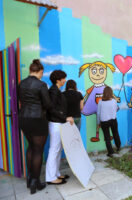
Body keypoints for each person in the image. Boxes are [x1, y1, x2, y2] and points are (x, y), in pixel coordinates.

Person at [18, 59, 54, 194]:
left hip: (24, 119)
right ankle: (35, 182)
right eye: (41, 73)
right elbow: (48, 104)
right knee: (38, 150)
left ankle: (30, 179)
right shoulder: (41, 84)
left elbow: (22, 100)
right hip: (38, 119)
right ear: (40, 72)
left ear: (29, 70)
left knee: (31, 148)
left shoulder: (21, 84)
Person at [46, 70, 74, 185]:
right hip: (56, 123)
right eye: (63, 78)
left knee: (58, 150)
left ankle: (56, 174)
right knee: (54, 150)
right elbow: (52, 109)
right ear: (58, 80)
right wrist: (65, 118)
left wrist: (65, 117)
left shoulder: (56, 90)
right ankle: (51, 177)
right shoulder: (53, 91)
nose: (65, 80)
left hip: (59, 123)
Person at [97, 86, 121, 157]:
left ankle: (110, 152)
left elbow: (98, 113)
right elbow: (116, 109)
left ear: (104, 93)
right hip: (113, 120)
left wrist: (98, 123)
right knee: (115, 133)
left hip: (104, 121)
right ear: (111, 93)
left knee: (107, 137)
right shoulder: (114, 101)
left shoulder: (100, 102)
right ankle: (118, 146)